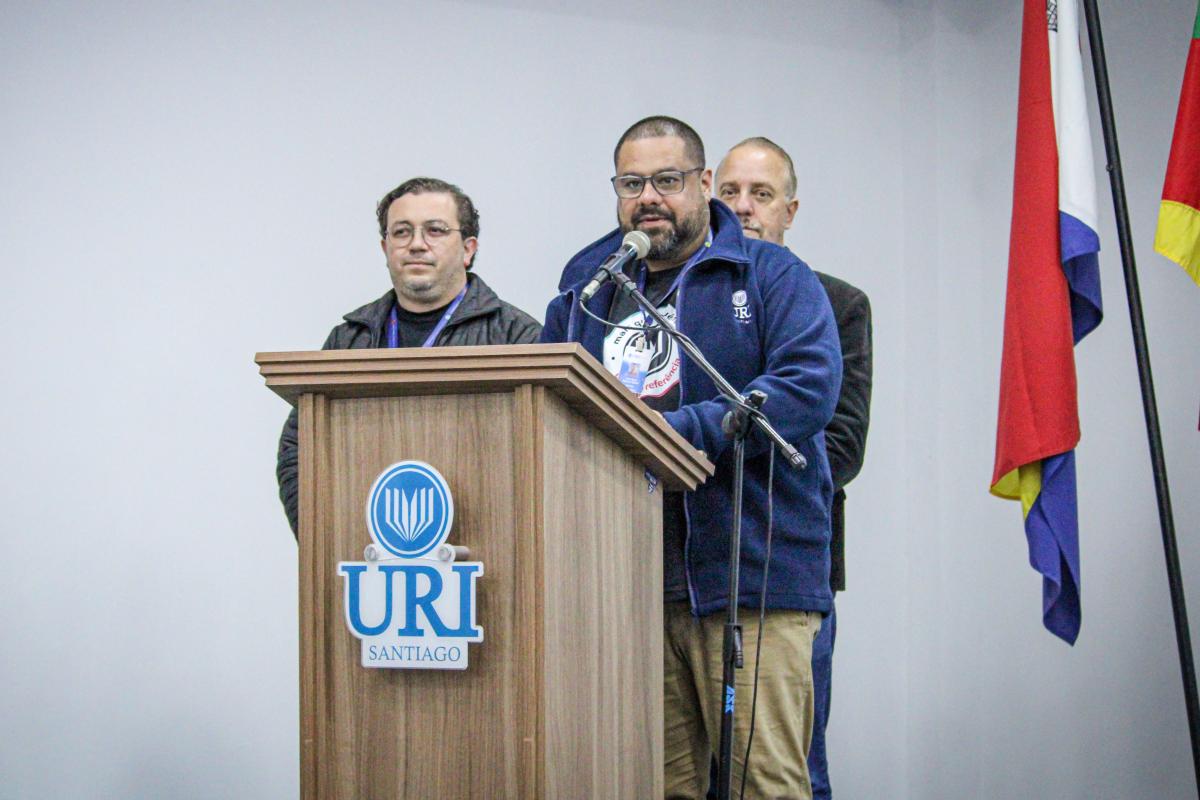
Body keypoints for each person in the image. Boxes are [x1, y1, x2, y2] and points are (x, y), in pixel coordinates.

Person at [542, 116, 842, 799]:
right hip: (631, 588)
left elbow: (806, 388)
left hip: (754, 583)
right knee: (656, 784)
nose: (648, 197)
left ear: (704, 184)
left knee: (763, 785)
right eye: (631, 184)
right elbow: (551, 406)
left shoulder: (771, 275)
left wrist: (674, 434)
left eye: (667, 180)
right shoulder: (588, 291)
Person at [715, 138, 873, 800]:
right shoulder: (689, 300)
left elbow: (843, 445)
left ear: (790, 209)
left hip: (791, 569)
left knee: (796, 769)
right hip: (691, 571)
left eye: (761, 194)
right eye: (729, 193)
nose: (743, 208)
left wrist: (719, 456)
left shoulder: (838, 303)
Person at [276, 176, 542, 537]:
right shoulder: (349, 340)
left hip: (481, 554)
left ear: (468, 249)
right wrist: (324, 542)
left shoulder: (518, 338)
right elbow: (298, 451)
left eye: (435, 230)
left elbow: (540, 459)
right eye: (402, 232)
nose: (416, 244)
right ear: (385, 248)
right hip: (367, 555)